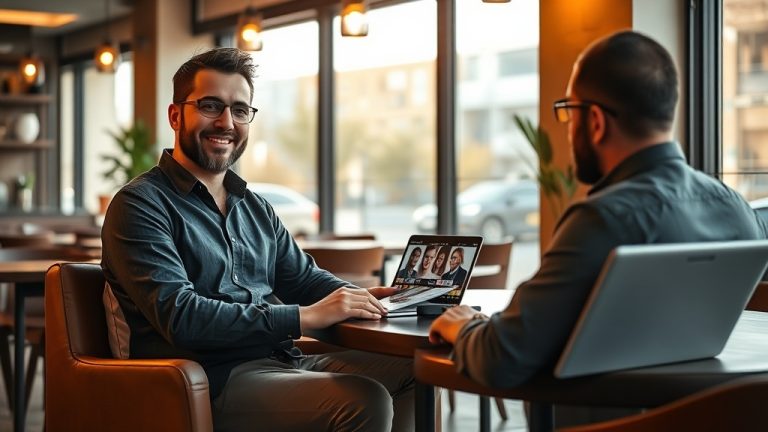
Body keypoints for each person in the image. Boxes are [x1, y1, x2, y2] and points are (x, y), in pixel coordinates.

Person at [428, 31, 768, 389]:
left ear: (595, 121)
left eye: (569, 112)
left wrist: (464, 323)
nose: (568, 128)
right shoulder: (736, 209)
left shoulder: (602, 221)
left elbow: (502, 358)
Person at [101, 47, 415, 432]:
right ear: (175, 115)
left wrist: (364, 298)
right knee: (363, 401)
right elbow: (181, 316)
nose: (226, 123)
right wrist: (302, 316)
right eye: (211, 106)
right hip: (202, 382)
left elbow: (304, 280)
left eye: (239, 110)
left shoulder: (255, 206)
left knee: (416, 370)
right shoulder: (140, 204)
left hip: (282, 362)